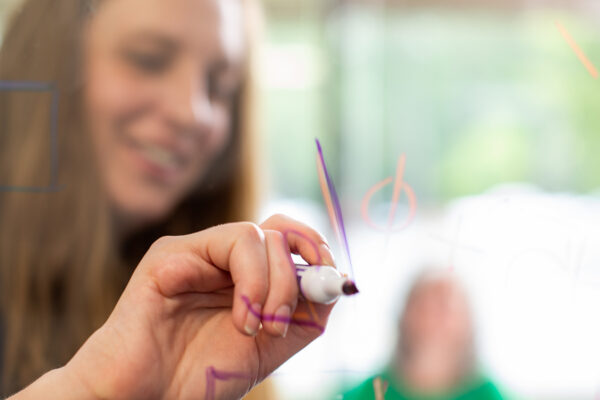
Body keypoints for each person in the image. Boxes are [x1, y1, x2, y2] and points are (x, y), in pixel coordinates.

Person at [0, 0, 336, 398]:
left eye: (219, 86)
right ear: (52, 60)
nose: (192, 112)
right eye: (149, 60)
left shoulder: (205, 327)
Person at [341, 270, 504, 400]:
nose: (437, 316)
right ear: (405, 316)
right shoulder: (369, 393)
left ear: (469, 322)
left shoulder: (491, 395)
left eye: (447, 307)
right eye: (425, 306)